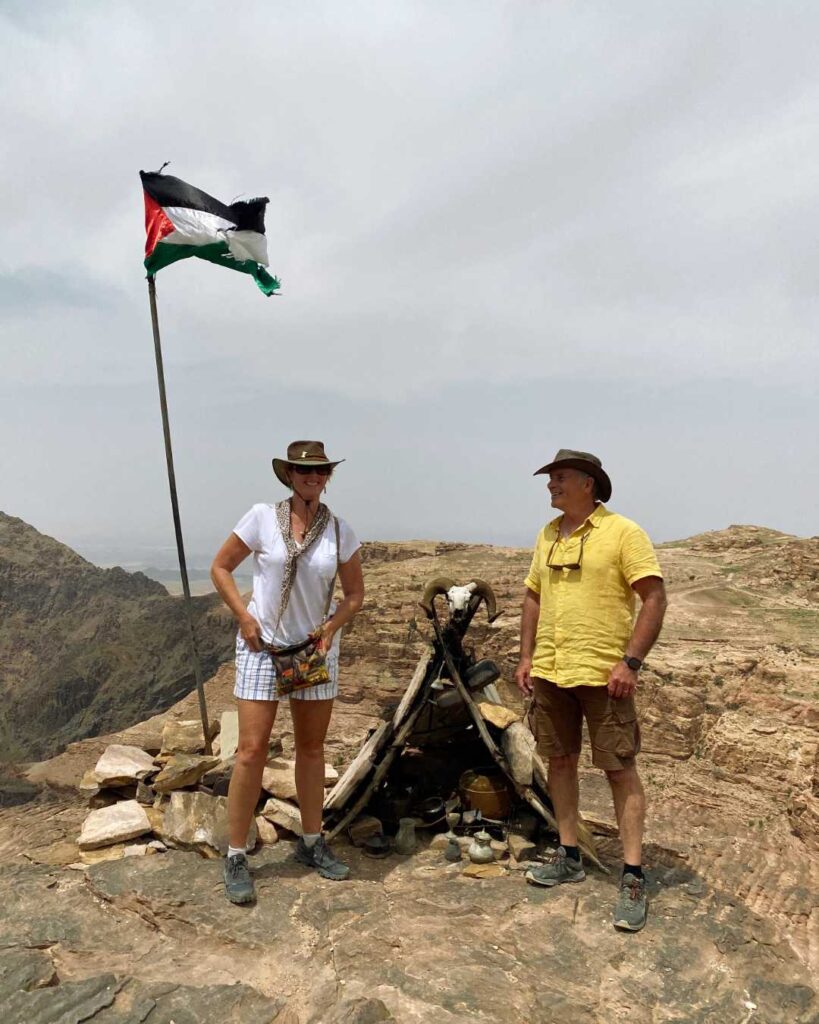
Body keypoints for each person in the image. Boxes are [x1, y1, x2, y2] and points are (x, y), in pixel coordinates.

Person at [514, 449, 667, 932]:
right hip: (552, 671)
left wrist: (631, 662)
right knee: (559, 761)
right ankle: (569, 855)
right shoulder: (547, 535)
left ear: (587, 483)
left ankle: (633, 876)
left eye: (559, 478)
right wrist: (525, 657)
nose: (550, 486)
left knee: (618, 769)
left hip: (605, 676)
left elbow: (654, 598)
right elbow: (533, 597)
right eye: (551, 478)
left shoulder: (623, 533)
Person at [211, 441, 364, 904]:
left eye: (319, 471)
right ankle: (236, 852)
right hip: (262, 647)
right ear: (290, 475)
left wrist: (332, 627)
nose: (311, 477)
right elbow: (221, 567)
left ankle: (312, 842)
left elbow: (355, 594)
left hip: (312, 651)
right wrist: (243, 615)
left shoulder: (340, 531)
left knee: (311, 750)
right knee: (251, 750)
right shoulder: (261, 517)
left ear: (327, 477)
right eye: (303, 470)